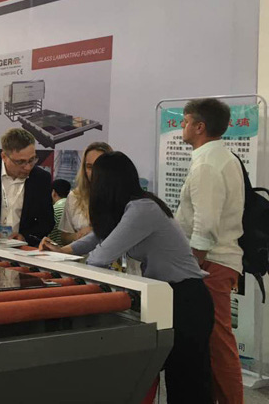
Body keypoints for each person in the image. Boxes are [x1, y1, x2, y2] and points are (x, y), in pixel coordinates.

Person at [40, 152, 214, 404]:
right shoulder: (130, 207)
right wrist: (61, 251)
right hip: (170, 296)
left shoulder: (142, 209)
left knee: (188, 385)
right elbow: (98, 236)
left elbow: (99, 256)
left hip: (186, 299)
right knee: (178, 381)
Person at [176, 98, 244, 404]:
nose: (182, 126)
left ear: (199, 127)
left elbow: (206, 226)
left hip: (211, 265)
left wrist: (191, 267)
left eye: (186, 121)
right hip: (212, 263)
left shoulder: (207, 164)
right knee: (211, 343)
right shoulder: (218, 157)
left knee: (218, 343)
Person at [58, 142, 114, 245]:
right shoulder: (74, 196)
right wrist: (78, 235)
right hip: (80, 254)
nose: (94, 172)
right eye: (89, 167)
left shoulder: (120, 196)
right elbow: (65, 237)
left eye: (99, 166)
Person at [48, 179, 71, 244]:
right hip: (72, 249)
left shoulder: (53, 210)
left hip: (54, 248)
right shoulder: (74, 209)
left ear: (53, 192)